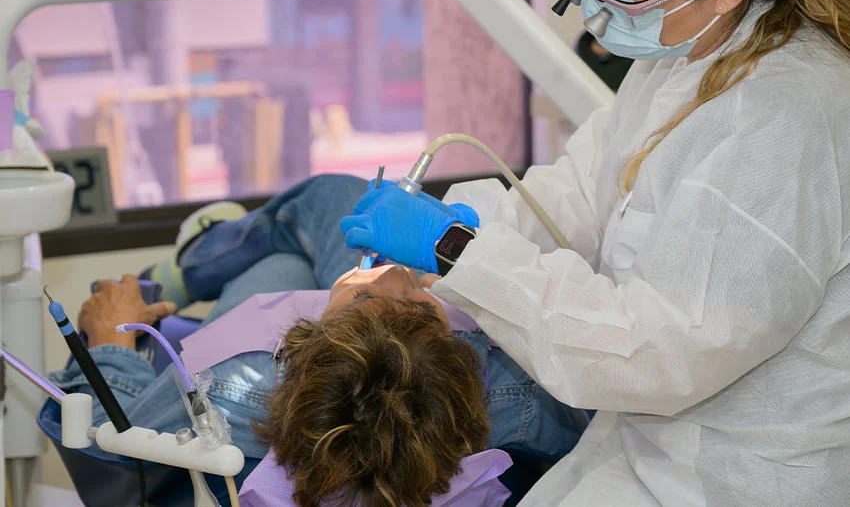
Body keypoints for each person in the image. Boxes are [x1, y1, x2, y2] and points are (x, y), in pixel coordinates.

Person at [341, 0, 850, 505]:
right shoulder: (691, 49)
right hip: (649, 437)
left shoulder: (782, 122)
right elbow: (582, 194)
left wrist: (457, 254)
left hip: (736, 474)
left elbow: (658, 349)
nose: (597, 9)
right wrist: (458, 228)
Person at [48, 175, 590, 507]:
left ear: (299, 347)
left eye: (365, 298)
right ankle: (216, 254)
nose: (389, 272)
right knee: (327, 208)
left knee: (292, 243)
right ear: (461, 358)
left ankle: (180, 269)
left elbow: (107, 437)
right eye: (416, 296)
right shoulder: (514, 390)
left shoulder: (238, 384)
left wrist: (105, 344)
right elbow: (588, 437)